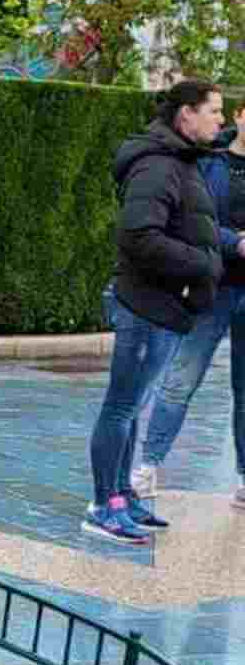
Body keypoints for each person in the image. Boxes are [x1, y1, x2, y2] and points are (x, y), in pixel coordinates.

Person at [84, 79, 225, 543]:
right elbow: (139, 236)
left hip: (165, 308)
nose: (221, 120)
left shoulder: (181, 159)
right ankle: (104, 505)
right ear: (186, 114)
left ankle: (123, 496)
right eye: (213, 111)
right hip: (146, 307)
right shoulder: (159, 166)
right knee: (121, 408)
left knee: (132, 408)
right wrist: (203, 263)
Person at [134, 89, 245, 506]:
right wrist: (235, 242)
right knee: (180, 380)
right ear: (240, 115)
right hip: (212, 287)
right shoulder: (208, 160)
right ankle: (148, 466)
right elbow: (194, 222)